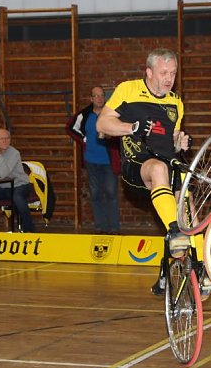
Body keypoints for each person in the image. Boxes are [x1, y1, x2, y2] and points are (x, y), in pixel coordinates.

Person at [96, 48, 191, 256]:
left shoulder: (176, 102)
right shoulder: (128, 90)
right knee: (158, 169)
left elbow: (171, 142)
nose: (169, 79)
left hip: (168, 165)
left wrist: (180, 142)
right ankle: (175, 232)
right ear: (149, 72)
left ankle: (199, 270)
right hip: (136, 166)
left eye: (173, 73)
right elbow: (102, 124)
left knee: (190, 213)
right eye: (164, 73)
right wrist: (132, 127)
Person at [66, 86, 121, 234]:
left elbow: (121, 131)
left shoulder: (112, 114)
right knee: (96, 194)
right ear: (91, 99)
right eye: (96, 96)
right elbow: (69, 128)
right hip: (91, 160)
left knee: (111, 193)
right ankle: (100, 226)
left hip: (108, 161)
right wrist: (83, 139)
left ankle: (114, 227)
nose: (99, 98)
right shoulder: (84, 115)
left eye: (101, 95)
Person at [0, 128, 36, 233]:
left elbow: (2, 174)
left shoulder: (14, 153)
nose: (5, 141)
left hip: (20, 185)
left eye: (7, 138)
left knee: (18, 197)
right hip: (3, 187)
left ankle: (29, 230)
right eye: (1, 139)